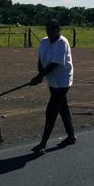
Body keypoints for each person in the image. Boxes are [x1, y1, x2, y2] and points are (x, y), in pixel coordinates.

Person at [29, 19, 76, 155]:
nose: (49, 32)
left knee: (51, 110)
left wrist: (40, 77)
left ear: (58, 30)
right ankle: (71, 136)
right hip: (51, 79)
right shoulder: (44, 42)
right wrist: (40, 74)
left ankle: (43, 143)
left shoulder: (62, 42)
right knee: (63, 108)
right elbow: (40, 60)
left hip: (63, 80)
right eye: (47, 29)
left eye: (52, 29)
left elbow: (55, 63)